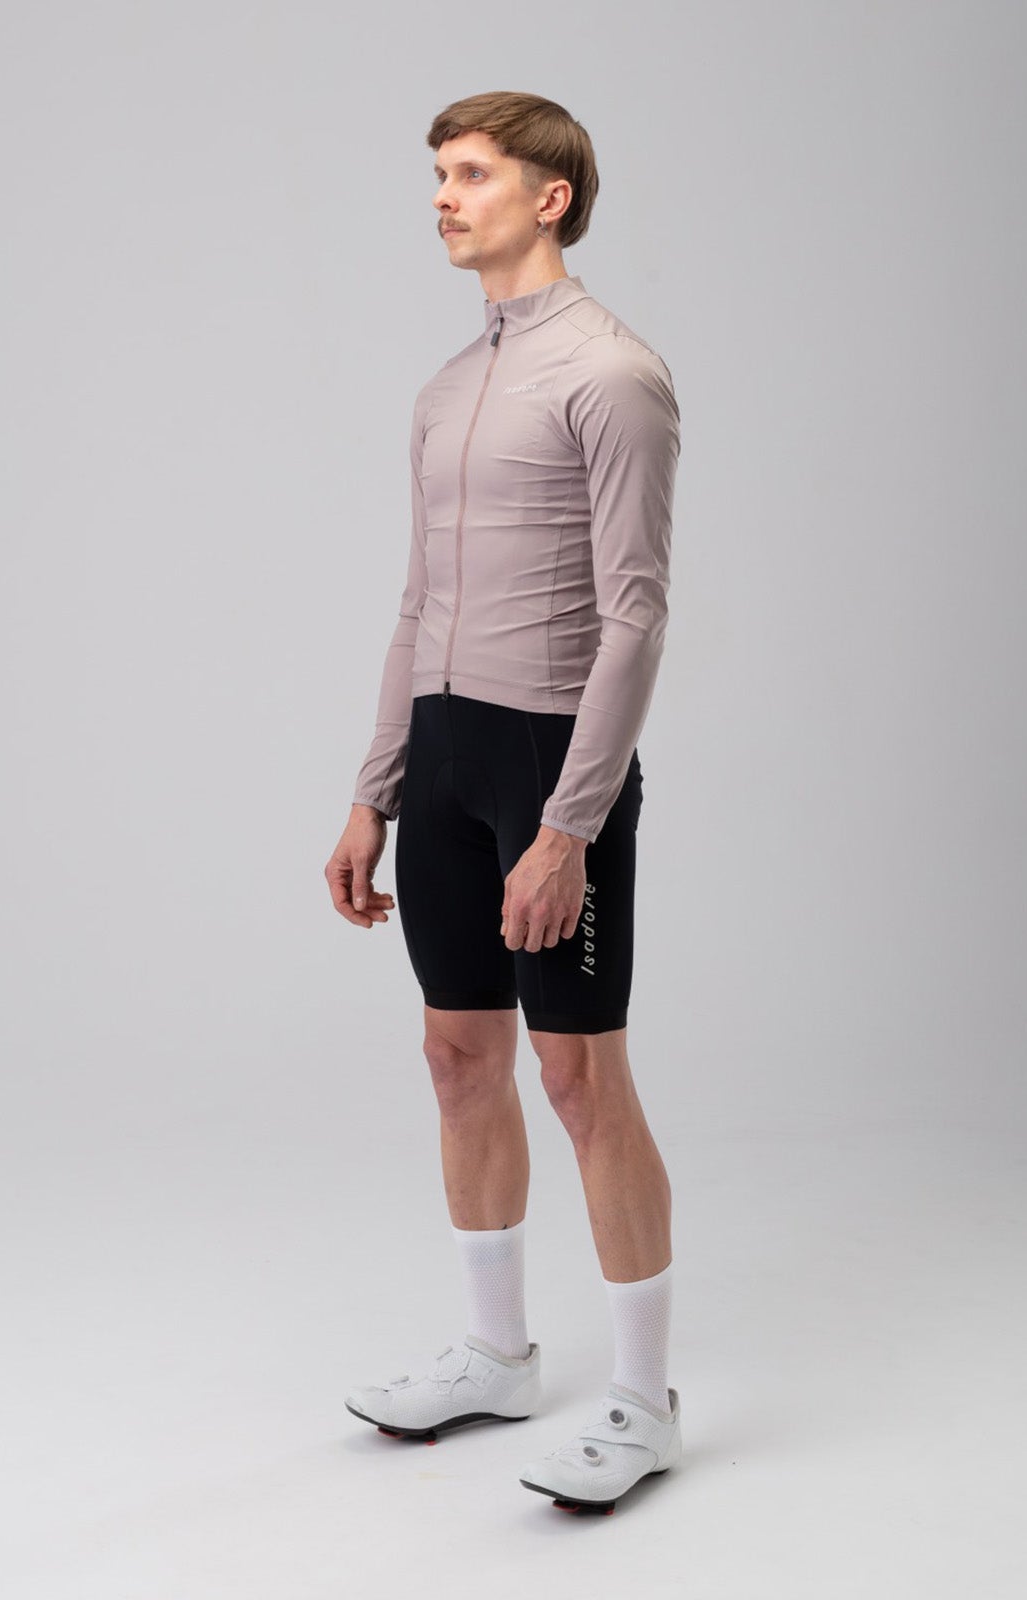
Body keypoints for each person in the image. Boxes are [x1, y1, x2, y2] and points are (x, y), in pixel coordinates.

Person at [323, 90, 682, 1513]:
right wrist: (375, 791)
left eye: (469, 172)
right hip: (445, 756)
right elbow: (418, 601)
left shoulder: (614, 374)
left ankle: (644, 1402)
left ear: (550, 196)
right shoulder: (444, 386)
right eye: (437, 173)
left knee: (580, 1078)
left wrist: (570, 825)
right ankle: (494, 1354)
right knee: (456, 1057)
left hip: (549, 763)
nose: (442, 195)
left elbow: (637, 615)